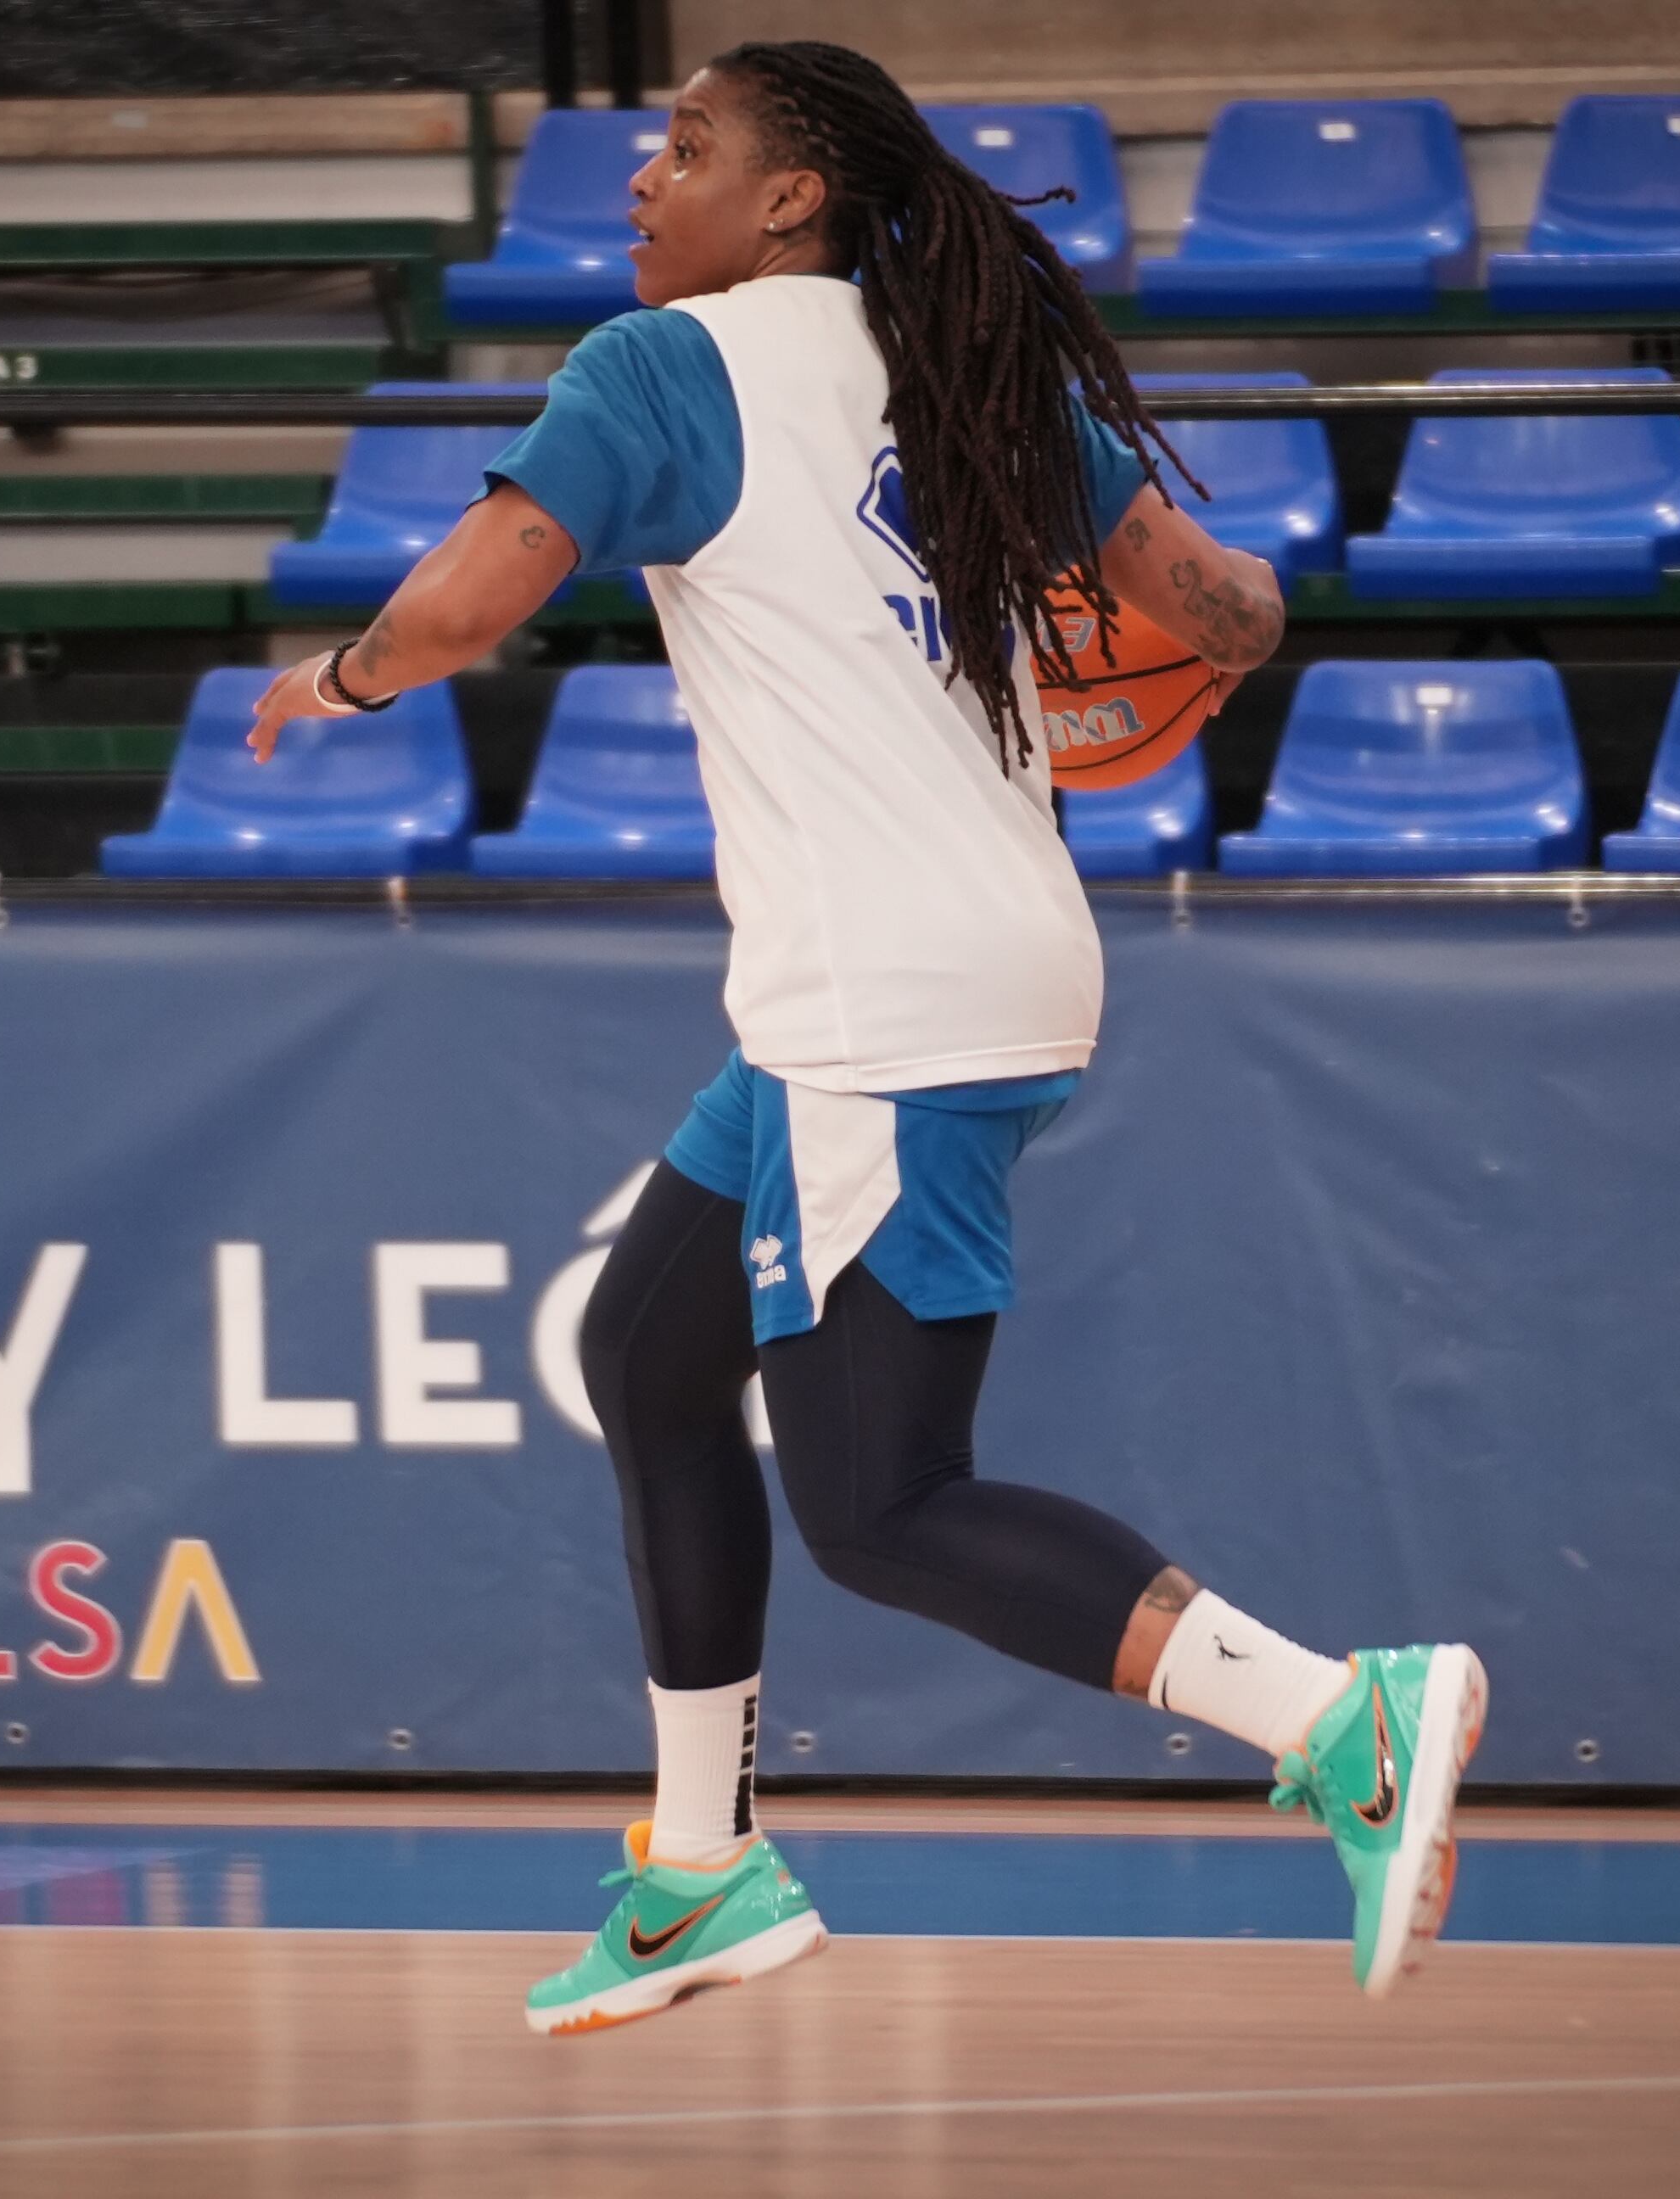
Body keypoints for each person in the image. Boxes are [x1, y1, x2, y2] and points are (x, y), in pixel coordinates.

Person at [250, 38, 1484, 2035]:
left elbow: (483, 593)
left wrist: (344, 675)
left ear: (792, 197)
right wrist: (1166, 658)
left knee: (885, 1507)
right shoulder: (977, 380)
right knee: (646, 1354)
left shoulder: (659, 369)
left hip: (879, 1002)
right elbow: (1228, 611)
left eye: (691, 146)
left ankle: (1339, 1719)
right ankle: (697, 1870)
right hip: (969, 960)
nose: (647, 180)